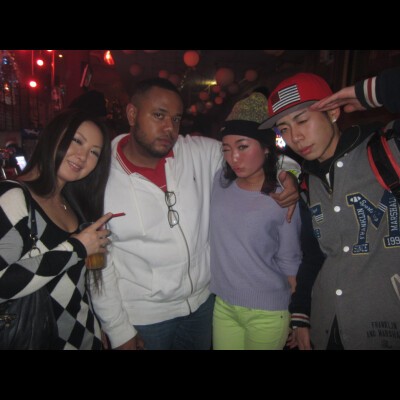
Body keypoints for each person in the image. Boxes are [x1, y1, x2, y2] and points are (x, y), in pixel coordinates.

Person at [91, 78, 300, 350]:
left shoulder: (197, 153)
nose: (169, 128)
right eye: (159, 115)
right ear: (132, 114)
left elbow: (257, 155)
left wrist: (289, 175)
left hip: (203, 306)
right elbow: (98, 264)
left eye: (176, 119)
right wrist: (117, 330)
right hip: (144, 317)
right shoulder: (100, 177)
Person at [259, 69, 400, 350]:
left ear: (333, 112)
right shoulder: (307, 183)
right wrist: (301, 315)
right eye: (284, 129)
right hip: (328, 324)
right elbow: (314, 256)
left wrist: (373, 91)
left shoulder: (388, 149)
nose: (295, 137)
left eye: (302, 120)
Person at [0, 108, 112, 349]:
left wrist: (96, 325)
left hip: (84, 337)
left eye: (94, 152)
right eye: (77, 141)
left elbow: (77, 286)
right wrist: (77, 248)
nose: (83, 156)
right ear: (52, 136)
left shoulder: (71, 203)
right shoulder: (14, 196)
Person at [210, 92, 301, 350]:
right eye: (226, 149)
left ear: (265, 147)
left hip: (268, 310)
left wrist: (297, 316)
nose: (233, 158)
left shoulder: (282, 195)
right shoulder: (219, 182)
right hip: (223, 304)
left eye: (242, 147)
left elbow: (290, 258)